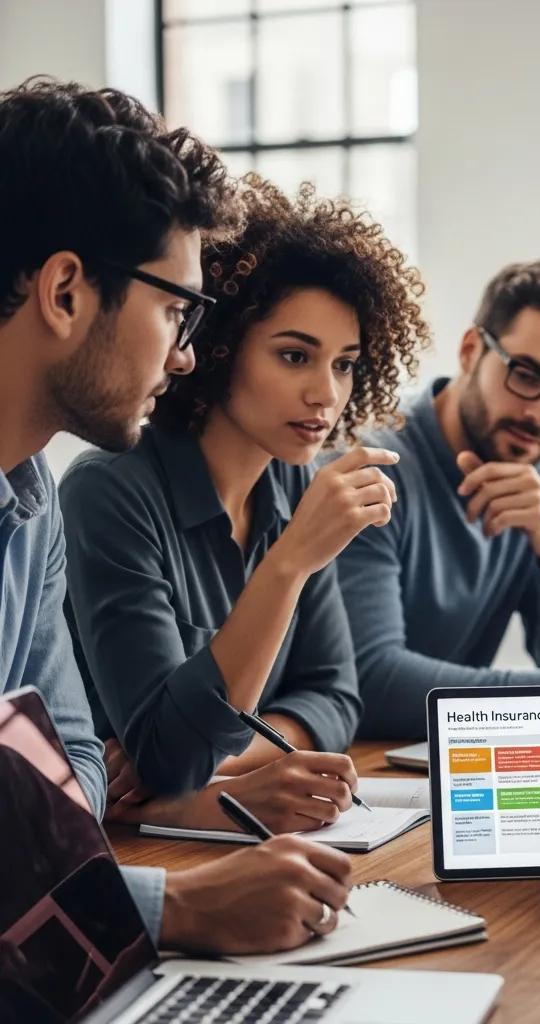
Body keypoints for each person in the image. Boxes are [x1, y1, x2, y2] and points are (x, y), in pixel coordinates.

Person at [0, 78, 351, 954]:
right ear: (66, 292)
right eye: (175, 308)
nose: (189, 352)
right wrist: (179, 908)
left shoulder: (31, 502)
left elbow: (78, 766)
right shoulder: (97, 492)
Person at [60, 176, 429, 831]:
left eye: (344, 364)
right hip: (114, 852)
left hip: (214, 826)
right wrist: (287, 564)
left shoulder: (294, 485)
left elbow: (336, 696)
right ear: (219, 348)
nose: (326, 393)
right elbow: (171, 756)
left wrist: (229, 761)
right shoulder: (109, 491)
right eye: (295, 356)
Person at [335, 258, 540, 738]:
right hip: (354, 766)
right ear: (470, 351)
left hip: (456, 756)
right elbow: (371, 680)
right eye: (526, 376)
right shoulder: (372, 464)